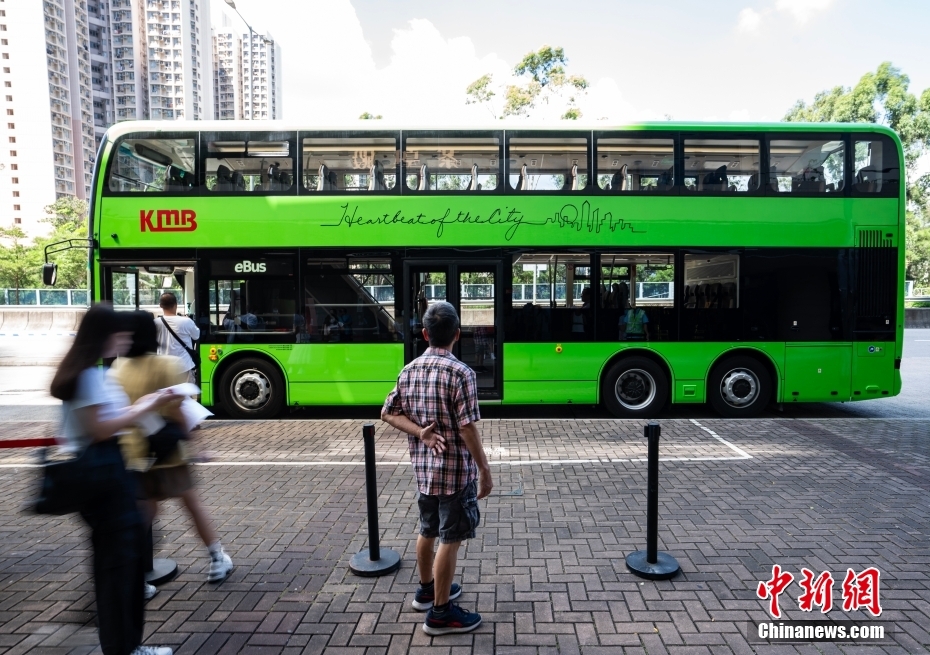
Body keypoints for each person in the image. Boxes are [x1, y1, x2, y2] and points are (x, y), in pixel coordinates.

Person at [50, 304, 178, 655]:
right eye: (120, 334)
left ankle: (126, 646)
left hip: (105, 474)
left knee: (121, 566)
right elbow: (101, 429)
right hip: (105, 476)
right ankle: (125, 649)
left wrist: (145, 404)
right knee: (118, 570)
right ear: (103, 335)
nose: (125, 339)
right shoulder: (89, 377)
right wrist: (144, 407)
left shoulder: (89, 372)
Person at [380, 301, 492, 636]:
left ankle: (427, 591)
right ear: (457, 334)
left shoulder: (408, 370)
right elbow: (467, 428)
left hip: (424, 471)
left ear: (425, 334)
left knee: (427, 530)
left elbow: (387, 412)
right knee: (451, 538)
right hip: (455, 472)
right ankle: (441, 614)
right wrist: (484, 470)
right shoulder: (462, 374)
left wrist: (420, 433)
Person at [114, 312, 234, 585]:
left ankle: (133, 578)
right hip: (169, 454)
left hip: (135, 453)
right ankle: (217, 558)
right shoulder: (166, 365)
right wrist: (196, 446)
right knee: (191, 506)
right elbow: (181, 412)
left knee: (143, 514)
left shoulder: (117, 369)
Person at [155, 292, 200, 384]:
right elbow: (196, 335)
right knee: (185, 397)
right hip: (184, 367)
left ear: (160, 305)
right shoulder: (186, 321)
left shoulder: (155, 323)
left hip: (163, 367)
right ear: (176, 305)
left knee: (167, 396)